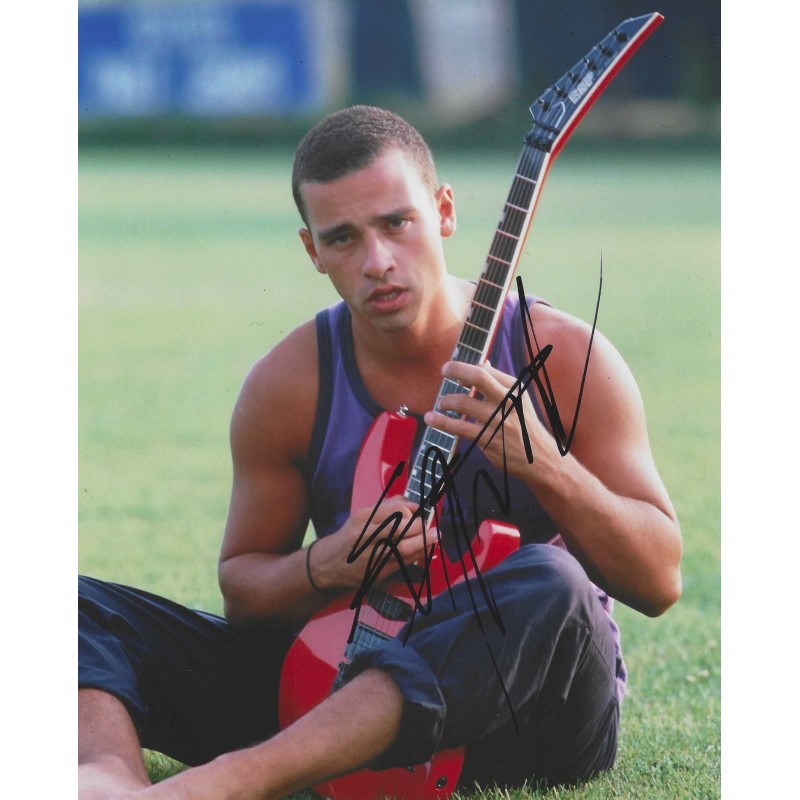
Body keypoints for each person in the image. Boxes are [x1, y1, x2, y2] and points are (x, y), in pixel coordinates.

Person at [78, 105, 682, 800]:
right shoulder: (290, 384)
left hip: (520, 717)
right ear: (312, 251)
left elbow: (658, 582)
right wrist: (327, 562)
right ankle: (106, 777)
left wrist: (546, 463)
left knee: (552, 581)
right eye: (343, 238)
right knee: (72, 606)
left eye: (397, 223)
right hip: (336, 683)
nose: (377, 262)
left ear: (443, 211)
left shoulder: (565, 356)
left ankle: (227, 782)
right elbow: (245, 593)